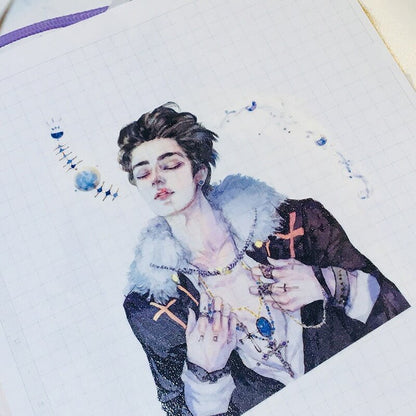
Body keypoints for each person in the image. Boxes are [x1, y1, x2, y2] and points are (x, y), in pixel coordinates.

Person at [118, 103, 409, 416]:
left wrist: (333, 283)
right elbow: (175, 407)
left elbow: (400, 314)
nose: (156, 179)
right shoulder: (152, 308)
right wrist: (205, 376)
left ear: (199, 172)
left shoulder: (299, 224)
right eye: (143, 173)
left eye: (170, 165)